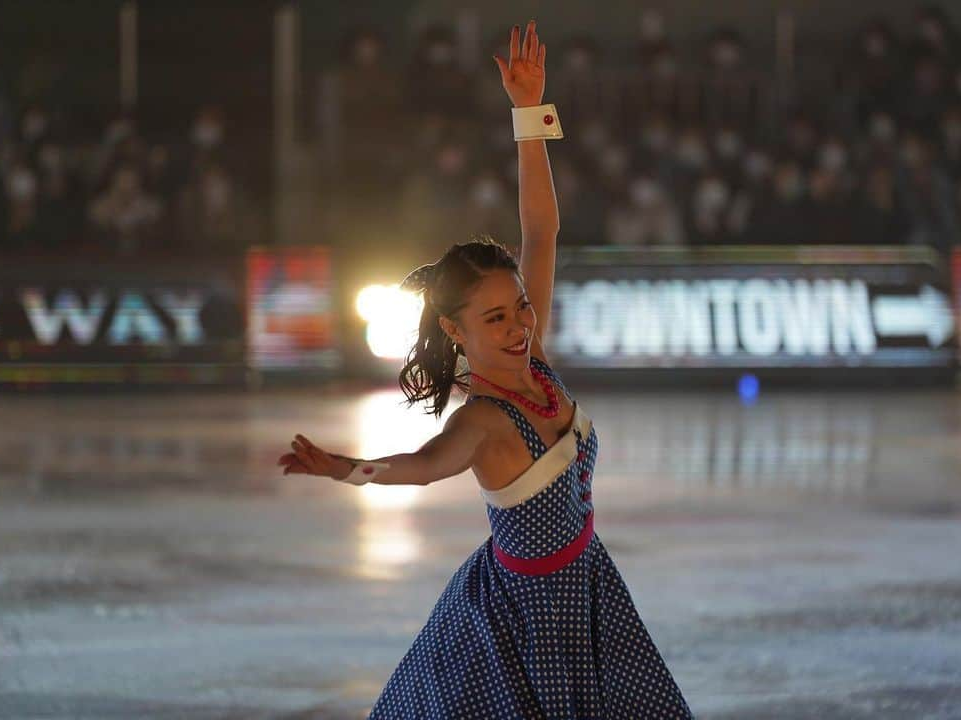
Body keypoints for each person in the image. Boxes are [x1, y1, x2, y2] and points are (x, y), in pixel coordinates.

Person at [277, 20, 695, 719]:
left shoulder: (536, 362)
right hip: (527, 622)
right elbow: (421, 465)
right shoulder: (482, 420)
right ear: (455, 330)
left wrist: (529, 112)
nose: (519, 325)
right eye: (495, 318)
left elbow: (542, 228)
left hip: (589, 589)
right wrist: (344, 467)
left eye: (521, 307)